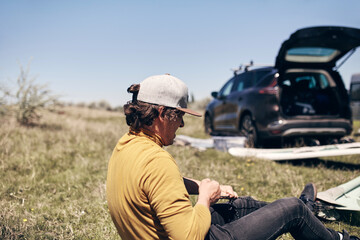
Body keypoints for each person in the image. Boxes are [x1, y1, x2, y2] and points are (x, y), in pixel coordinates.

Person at [106, 74, 358, 240]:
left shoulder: (128, 145)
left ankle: (308, 209)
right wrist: (204, 197)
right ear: (162, 113)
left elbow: (155, 182)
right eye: (180, 116)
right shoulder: (157, 160)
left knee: (238, 205)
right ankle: (333, 232)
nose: (181, 125)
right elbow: (187, 237)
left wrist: (200, 187)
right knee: (290, 209)